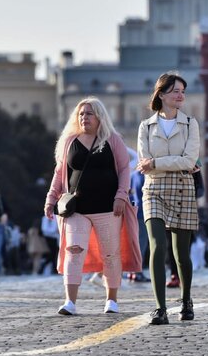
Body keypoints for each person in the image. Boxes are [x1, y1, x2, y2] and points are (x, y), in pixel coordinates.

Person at [44, 96, 141, 315]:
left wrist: (120, 196)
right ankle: (70, 302)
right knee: (73, 251)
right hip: (76, 209)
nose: (84, 117)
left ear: (99, 117)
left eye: (89, 113)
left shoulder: (112, 139)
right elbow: (60, 173)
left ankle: (112, 300)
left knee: (110, 254)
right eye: (81, 114)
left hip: (108, 207)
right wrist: (51, 199)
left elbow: (125, 169)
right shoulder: (69, 141)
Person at [136, 73, 200, 325]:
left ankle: (186, 300)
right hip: (153, 189)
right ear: (161, 94)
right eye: (175, 91)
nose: (180, 95)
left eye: (183, 90)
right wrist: (160, 164)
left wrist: (156, 162)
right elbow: (144, 164)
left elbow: (189, 160)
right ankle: (160, 307)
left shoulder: (190, 123)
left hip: (183, 188)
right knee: (158, 245)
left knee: (181, 253)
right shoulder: (146, 126)